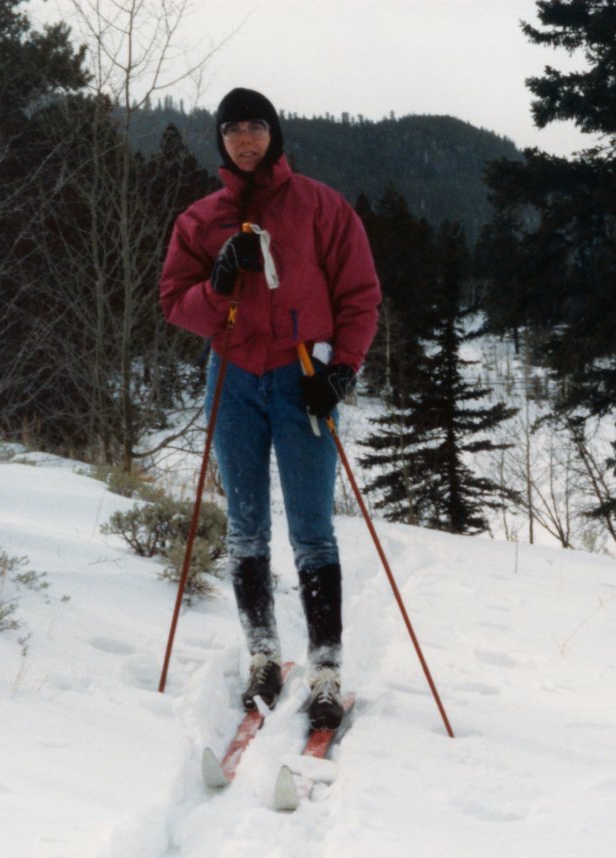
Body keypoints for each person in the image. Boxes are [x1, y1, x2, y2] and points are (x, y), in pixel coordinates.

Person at [160, 88, 381, 729]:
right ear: (221, 141)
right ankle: (261, 653)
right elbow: (176, 301)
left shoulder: (320, 205)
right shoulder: (202, 219)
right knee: (245, 525)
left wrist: (341, 368)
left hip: (301, 375)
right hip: (232, 376)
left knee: (312, 527)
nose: (245, 139)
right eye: (232, 130)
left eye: (255, 127)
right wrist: (219, 283)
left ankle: (327, 666)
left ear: (273, 133)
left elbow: (360, 293)